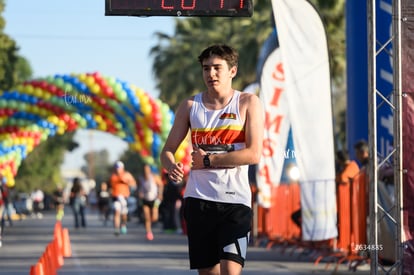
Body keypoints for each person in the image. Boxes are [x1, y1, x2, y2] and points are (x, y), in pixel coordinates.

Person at [160, 44, 264, 275]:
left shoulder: (248, 103)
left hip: (236, 203)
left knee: (230, 272)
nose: (211, 74)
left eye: (217, 68)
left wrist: (209, 160)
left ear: (232, 71)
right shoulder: (189, 106)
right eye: (206, 69)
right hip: (199, 201)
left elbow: (254, 153)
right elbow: (167, 150)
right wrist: (171, 167)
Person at [110, 160, 136, 235]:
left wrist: (127, 181)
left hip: (125, 197)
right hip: (116, 197)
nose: (117, 169)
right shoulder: (113, 176)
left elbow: (133, 183)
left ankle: (123, 225)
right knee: (116, 212)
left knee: (124, 214)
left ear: (122, 168)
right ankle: (116, 229)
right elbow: (113, 182)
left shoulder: (127, 175)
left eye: (119, 168)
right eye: (116, 168)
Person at [138, 164, 163, 241]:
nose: (146, 171)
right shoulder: (141, 178)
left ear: (149, 170)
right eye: (144, 169)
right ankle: (149, 232)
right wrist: (139, 193)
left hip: (154, 199)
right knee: (147, 217)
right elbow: (139, 188)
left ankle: (150, 224)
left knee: (155, 217)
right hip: (145, 199)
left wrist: (160, 194)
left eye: (147, 169)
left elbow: (161, 185)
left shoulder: (154, 177)